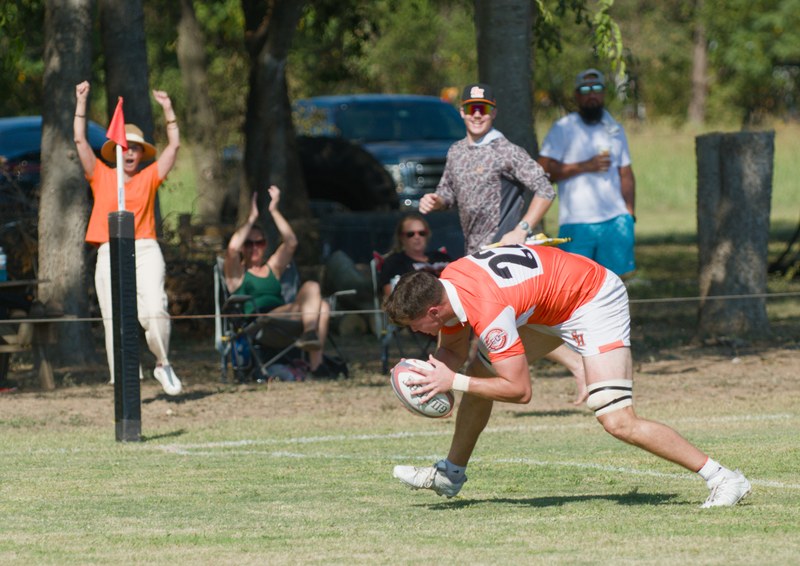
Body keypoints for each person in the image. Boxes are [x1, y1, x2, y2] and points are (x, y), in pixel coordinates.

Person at [385, 244, 751, 508]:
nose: (415, 332)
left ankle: (723, 477)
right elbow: (453, 352)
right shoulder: (448, 284)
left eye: (414, 325)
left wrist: (452, 383)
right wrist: (429, 373)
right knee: (480, 368)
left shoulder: (487, 309)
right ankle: (450, 475)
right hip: (551, 302)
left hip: (592, 299)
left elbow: (519, 390)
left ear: (433, 311)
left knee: (616, 418)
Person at [419, 82, 587, 403]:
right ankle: (576, 364)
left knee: (493, 332)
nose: (477, 114)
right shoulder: (456, 151)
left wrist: (522, 228)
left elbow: (544, 189)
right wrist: (435, 200)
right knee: (503, 329)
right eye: (471, 108)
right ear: (462, 112)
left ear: (493, 112)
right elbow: (448, 194)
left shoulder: (505, 150)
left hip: (502, 255)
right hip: (473, 256)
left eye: (483, 109)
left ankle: (462, 389)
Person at [73, 81, 182, 396]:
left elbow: (174, 148)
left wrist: (168, 109)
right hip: (109, 250)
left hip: (145, 248)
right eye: (125, 146)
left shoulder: (148, 177)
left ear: (141, 153)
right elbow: (79, 139)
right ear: (115, 150)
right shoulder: (100, 174)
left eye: (135, 148)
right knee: (114, 319)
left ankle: (162, 363)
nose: (130, 152)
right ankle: (124, 383)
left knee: (155, 309)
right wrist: (81, 102)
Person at [538, 68, 637, 278]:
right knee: (573, 286)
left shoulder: (615, 129)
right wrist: (584, 166)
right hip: (576, 222)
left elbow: (626, 172)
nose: (591, 94)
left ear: (604, 93)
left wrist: (629, 213)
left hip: (615, 221)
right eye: (585, 89)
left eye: (597, 88)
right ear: (576, 95)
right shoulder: (563, 128)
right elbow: (543, 170)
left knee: (616, 286)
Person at [224, 186, 332, 377]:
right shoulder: (237, 273)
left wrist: (274, 211)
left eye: (260, 243)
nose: (254, 248)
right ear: (243, 247)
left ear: (265, 245)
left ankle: (315, 362)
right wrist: (251, 219)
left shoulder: (272, 268)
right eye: (249, 243)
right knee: (320, 306)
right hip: (261, 322)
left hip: (287, 318)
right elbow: (232, 249)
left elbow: (291, 242)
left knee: (317, 295)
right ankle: (316, 362)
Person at [377, 213, 451, 298]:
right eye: (410, 234)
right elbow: (392, 301)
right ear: (401, 237)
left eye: (422, 233)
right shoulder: (393, 263)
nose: (417, 237)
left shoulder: (442, 257)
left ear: (427, 235)